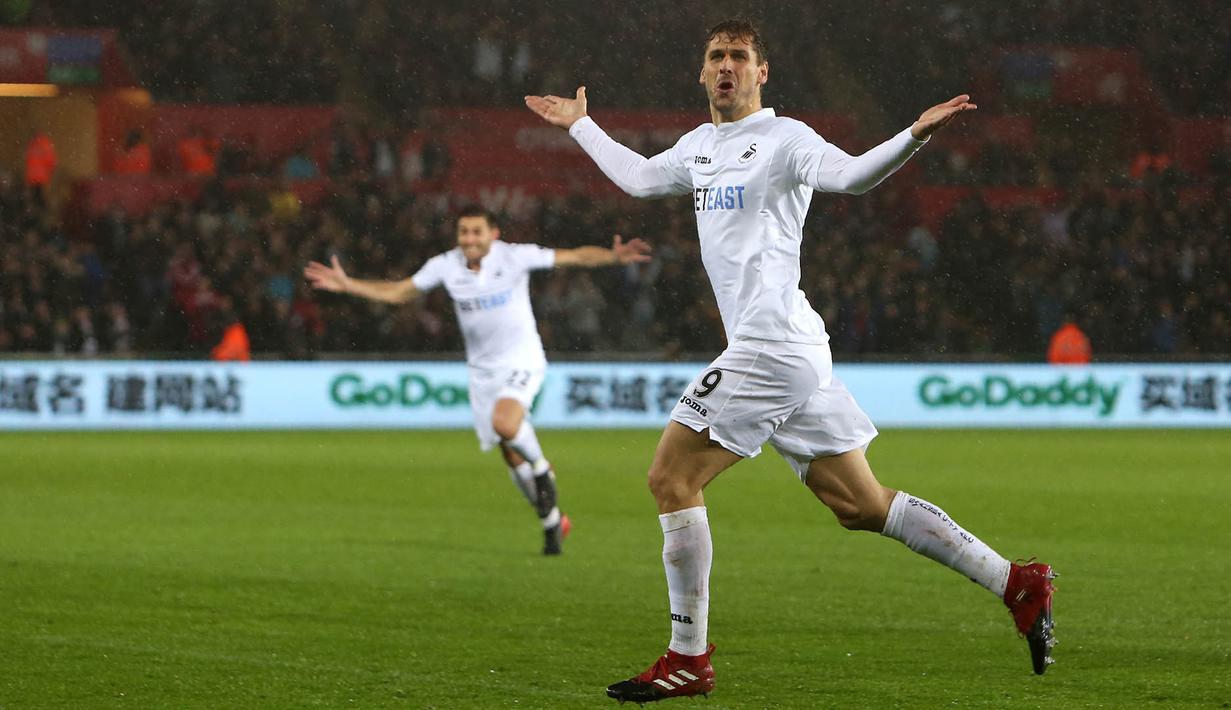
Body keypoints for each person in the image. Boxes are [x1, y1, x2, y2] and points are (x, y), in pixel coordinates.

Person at [526, 18, 1057, 702]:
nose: (726, 66)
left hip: (770, 345)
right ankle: (1016, 582)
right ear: (701, 72)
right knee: (859, 504)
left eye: (738, 56)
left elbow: (852, 176)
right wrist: (580, 125)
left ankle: (688, 658)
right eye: (716, 56)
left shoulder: (786, 140)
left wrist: (913, 135)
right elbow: (637, 179)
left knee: (671, 477)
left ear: (761, 72)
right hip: (787, 347)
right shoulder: (698, 147)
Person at [304, 206, 651, 555]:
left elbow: (573, 257)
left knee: (506, 424)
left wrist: (612, 256)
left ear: (493, 234)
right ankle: (552, 522)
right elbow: (400, 292)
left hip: (522, 360)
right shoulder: (445, 265)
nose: (469, 239)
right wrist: (349, 284)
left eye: (476, 232)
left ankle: (542, 467)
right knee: (510, 453)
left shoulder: (515, 257)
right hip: (483, 373)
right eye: (464, 232)